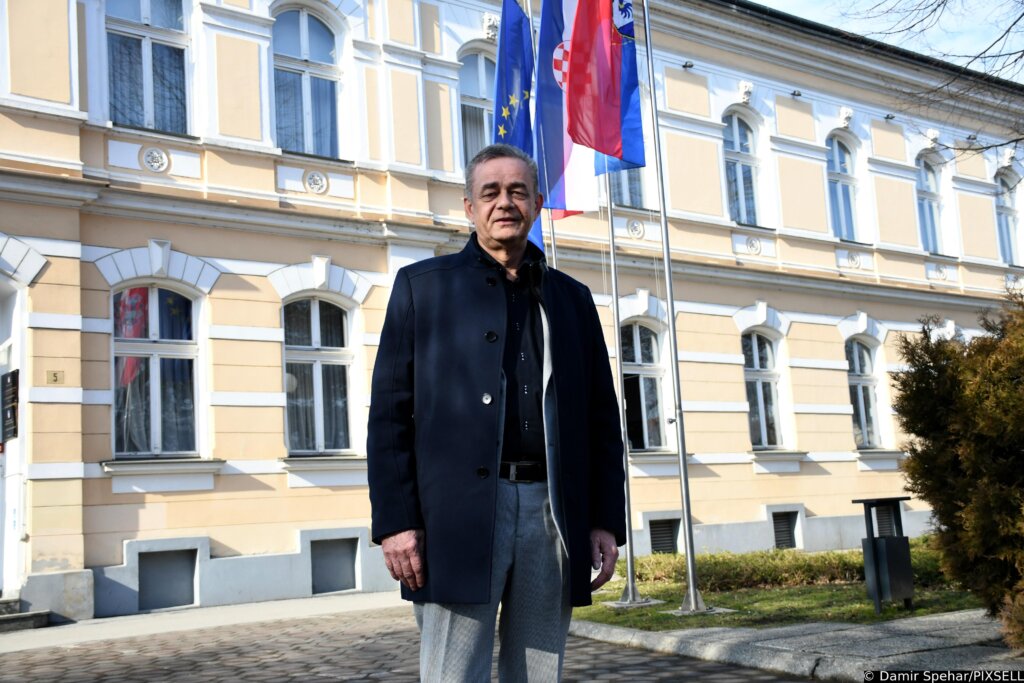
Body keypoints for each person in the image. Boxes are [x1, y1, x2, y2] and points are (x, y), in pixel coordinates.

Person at [367, 143, 626, 681]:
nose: (504, 202)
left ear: (535, 203)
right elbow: (390, 417)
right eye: (491, 192)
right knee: (452, 672)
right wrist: (397, 523)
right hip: (455, 519)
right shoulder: (422, 288)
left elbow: (602, 417)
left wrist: (604, 519)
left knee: (537, 671)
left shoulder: (572, 300)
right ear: (469, 206)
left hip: (550, 513)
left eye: (517, 191)